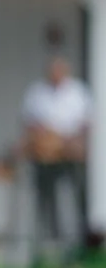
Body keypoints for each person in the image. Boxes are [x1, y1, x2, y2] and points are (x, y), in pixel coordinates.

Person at [21, 54, 92, 253]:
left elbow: (86, 124)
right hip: (44, 156)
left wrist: (69, 141)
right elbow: (29, 123)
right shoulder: (36, 92)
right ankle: (48, 235)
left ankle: (77, 236)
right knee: (44, 195)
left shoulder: (78, 92)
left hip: (70, 154)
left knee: (73, 195)